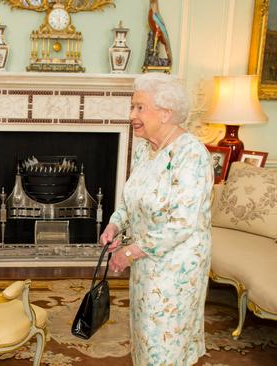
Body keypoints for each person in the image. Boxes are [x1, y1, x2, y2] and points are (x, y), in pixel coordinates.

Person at [100, 73, 213, 365]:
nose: (132, 115)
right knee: (146, 335)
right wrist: (115, 224)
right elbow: (131, 199)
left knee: (165, 339)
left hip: (177, 264)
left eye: (139, 108)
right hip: (146, 260)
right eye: (132, 107)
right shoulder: (144, 150)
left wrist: (129, 251)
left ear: (166, 113)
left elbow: (182, 223)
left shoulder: (192, 154)